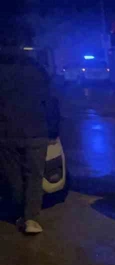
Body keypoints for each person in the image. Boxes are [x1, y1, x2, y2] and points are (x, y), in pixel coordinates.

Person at [0, 49, 59, 235]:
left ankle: (20, 214)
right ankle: (31, 218)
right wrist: (54, 130)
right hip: (36, 130)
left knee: (13, 176)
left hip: (6, 132)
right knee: (34, 175)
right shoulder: (38, 71)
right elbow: (50, 102)